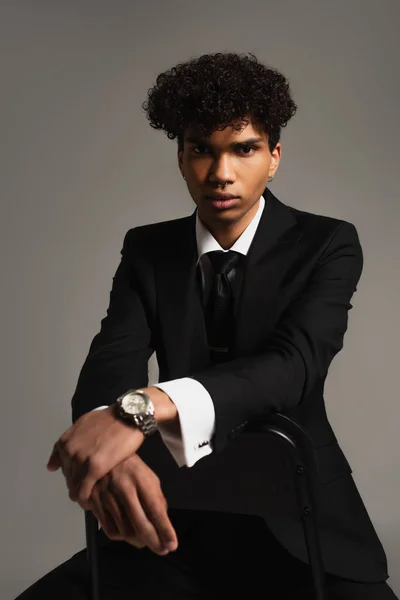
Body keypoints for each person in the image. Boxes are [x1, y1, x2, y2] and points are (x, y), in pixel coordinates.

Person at [15, 52, 398, 599]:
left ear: (274, 157)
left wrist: (141, 409)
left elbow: (294, 367)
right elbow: (108, 364)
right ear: (181, 156)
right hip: (171, 523)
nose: (221, 173)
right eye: (202, 150)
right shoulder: (147, 250)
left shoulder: (328, 243)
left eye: (244, 149)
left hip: (298, 521)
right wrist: (112, 457)